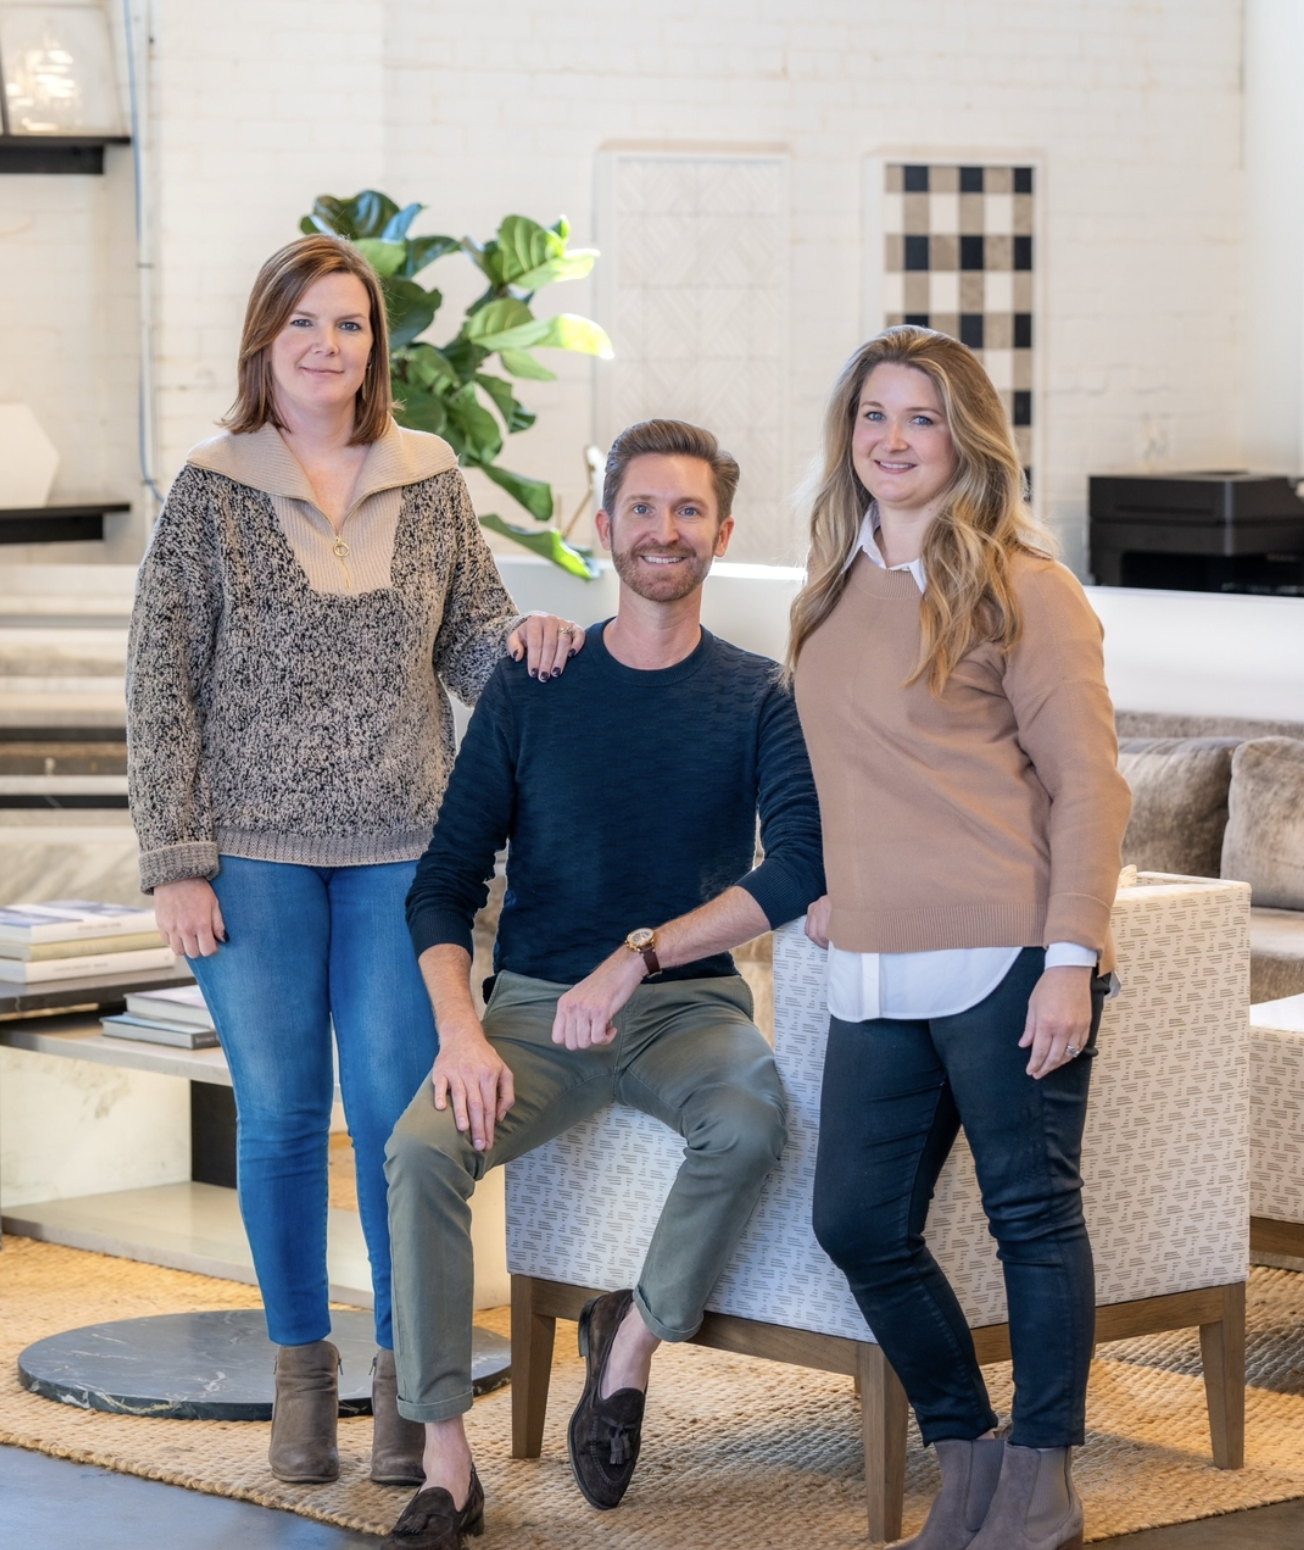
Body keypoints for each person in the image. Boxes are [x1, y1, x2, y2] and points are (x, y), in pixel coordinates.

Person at [125, 234, 582, 1489]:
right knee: (278, 1119)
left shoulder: (427, 476)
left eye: (350, 324)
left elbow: (473, 638)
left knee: (396, 1127)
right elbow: (160, 681)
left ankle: (408, 1385)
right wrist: (176, 856)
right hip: (250, 859)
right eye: (304, 324)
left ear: (376, 345)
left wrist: (533, 636)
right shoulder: (211, 487)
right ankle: (300, 1380)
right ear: (265, 341)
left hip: (402, 852)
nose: (329, 346)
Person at [378, 419, 825, 1550]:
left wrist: (642, 952)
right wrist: (461, 1033)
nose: (661, 531)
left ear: (722, 532)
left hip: (684, 1006)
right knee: (421, 1149)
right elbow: (441, 883)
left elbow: (800, 869)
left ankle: (627, 1342)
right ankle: (444, 1458)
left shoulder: (759, 694)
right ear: (602, 526)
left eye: (686, 511)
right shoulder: (538, 683)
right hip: (530, 1011)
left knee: (749, 1118)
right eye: (640, 508)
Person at [789, 327, 1131, 1550]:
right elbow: (837, 774)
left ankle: (1040, 1473)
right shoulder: (824, 590)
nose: (890, 439)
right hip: (872, 962)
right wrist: (827, 879)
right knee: (855, 1221)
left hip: (1006, 953)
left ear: (964, 436)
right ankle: (966, 1452)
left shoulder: (1025, 588)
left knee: (1028, 1214)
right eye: (872, 415)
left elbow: (1089, 787)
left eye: (919, 418)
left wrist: (1072, 957)